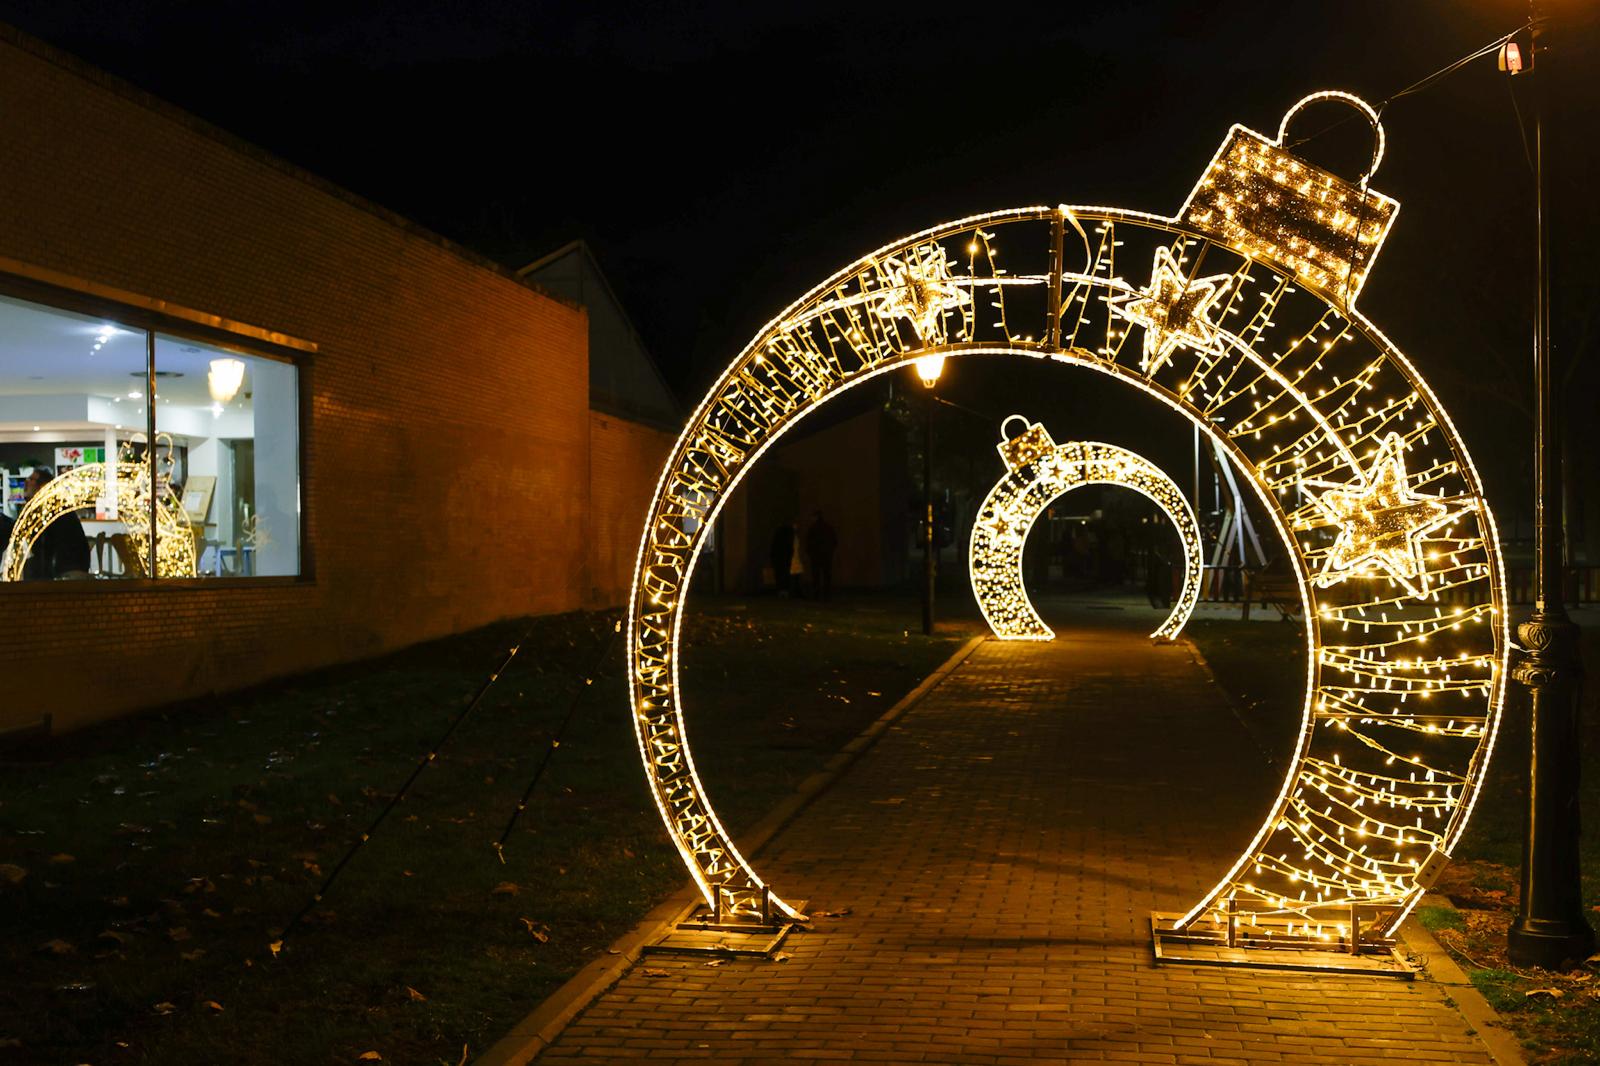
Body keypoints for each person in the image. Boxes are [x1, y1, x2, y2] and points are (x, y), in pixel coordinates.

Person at [19, 467, 91, 580]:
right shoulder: (51, 507)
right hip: (67, 568)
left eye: (31, 479)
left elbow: (41, 547)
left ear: (43, 487)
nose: (26, 481)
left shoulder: (49, 509)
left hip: (65, 572)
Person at [804, 510, 838, 602]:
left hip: (816, 556)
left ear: (815, 517)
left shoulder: (812, 528)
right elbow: (834, 541)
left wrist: (810, 553)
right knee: (827, 575)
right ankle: (827, 594)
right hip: (827, 556)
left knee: (816, 576)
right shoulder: (828, 528)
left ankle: (816, 594)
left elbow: (809, 543)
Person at [769, 520, 796, 597]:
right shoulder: (790, 534)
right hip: (786, 557)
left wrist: (772, 557)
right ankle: (785, 590)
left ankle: (780, 590)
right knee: (786, 573)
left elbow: (774, 546)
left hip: (779, 557)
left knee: (779, 574)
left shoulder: (777, 534)